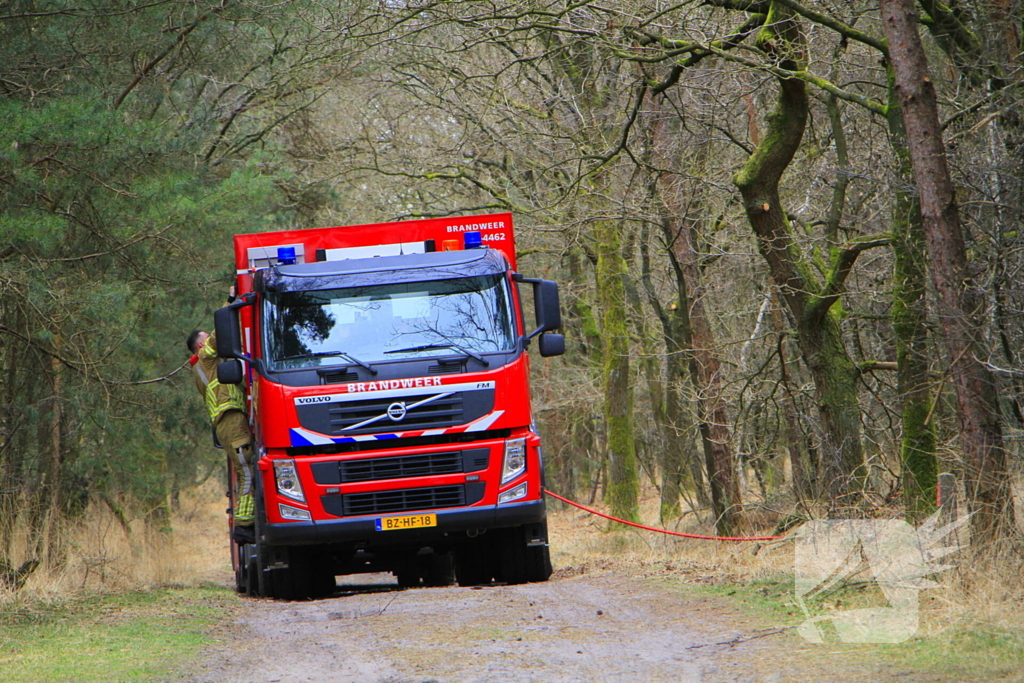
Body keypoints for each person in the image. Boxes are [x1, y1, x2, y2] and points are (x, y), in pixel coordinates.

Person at [187, 324, 255, 544]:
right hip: (230, 421)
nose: (209, 342)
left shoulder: (207, 367)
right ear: (200, 345)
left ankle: (246, 523)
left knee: (247, 467)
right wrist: (231, 301)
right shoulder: (205, 357)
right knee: (247, 469)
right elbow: (220, 333)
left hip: (231, 421)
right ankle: (244, 526)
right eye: (205, 339)